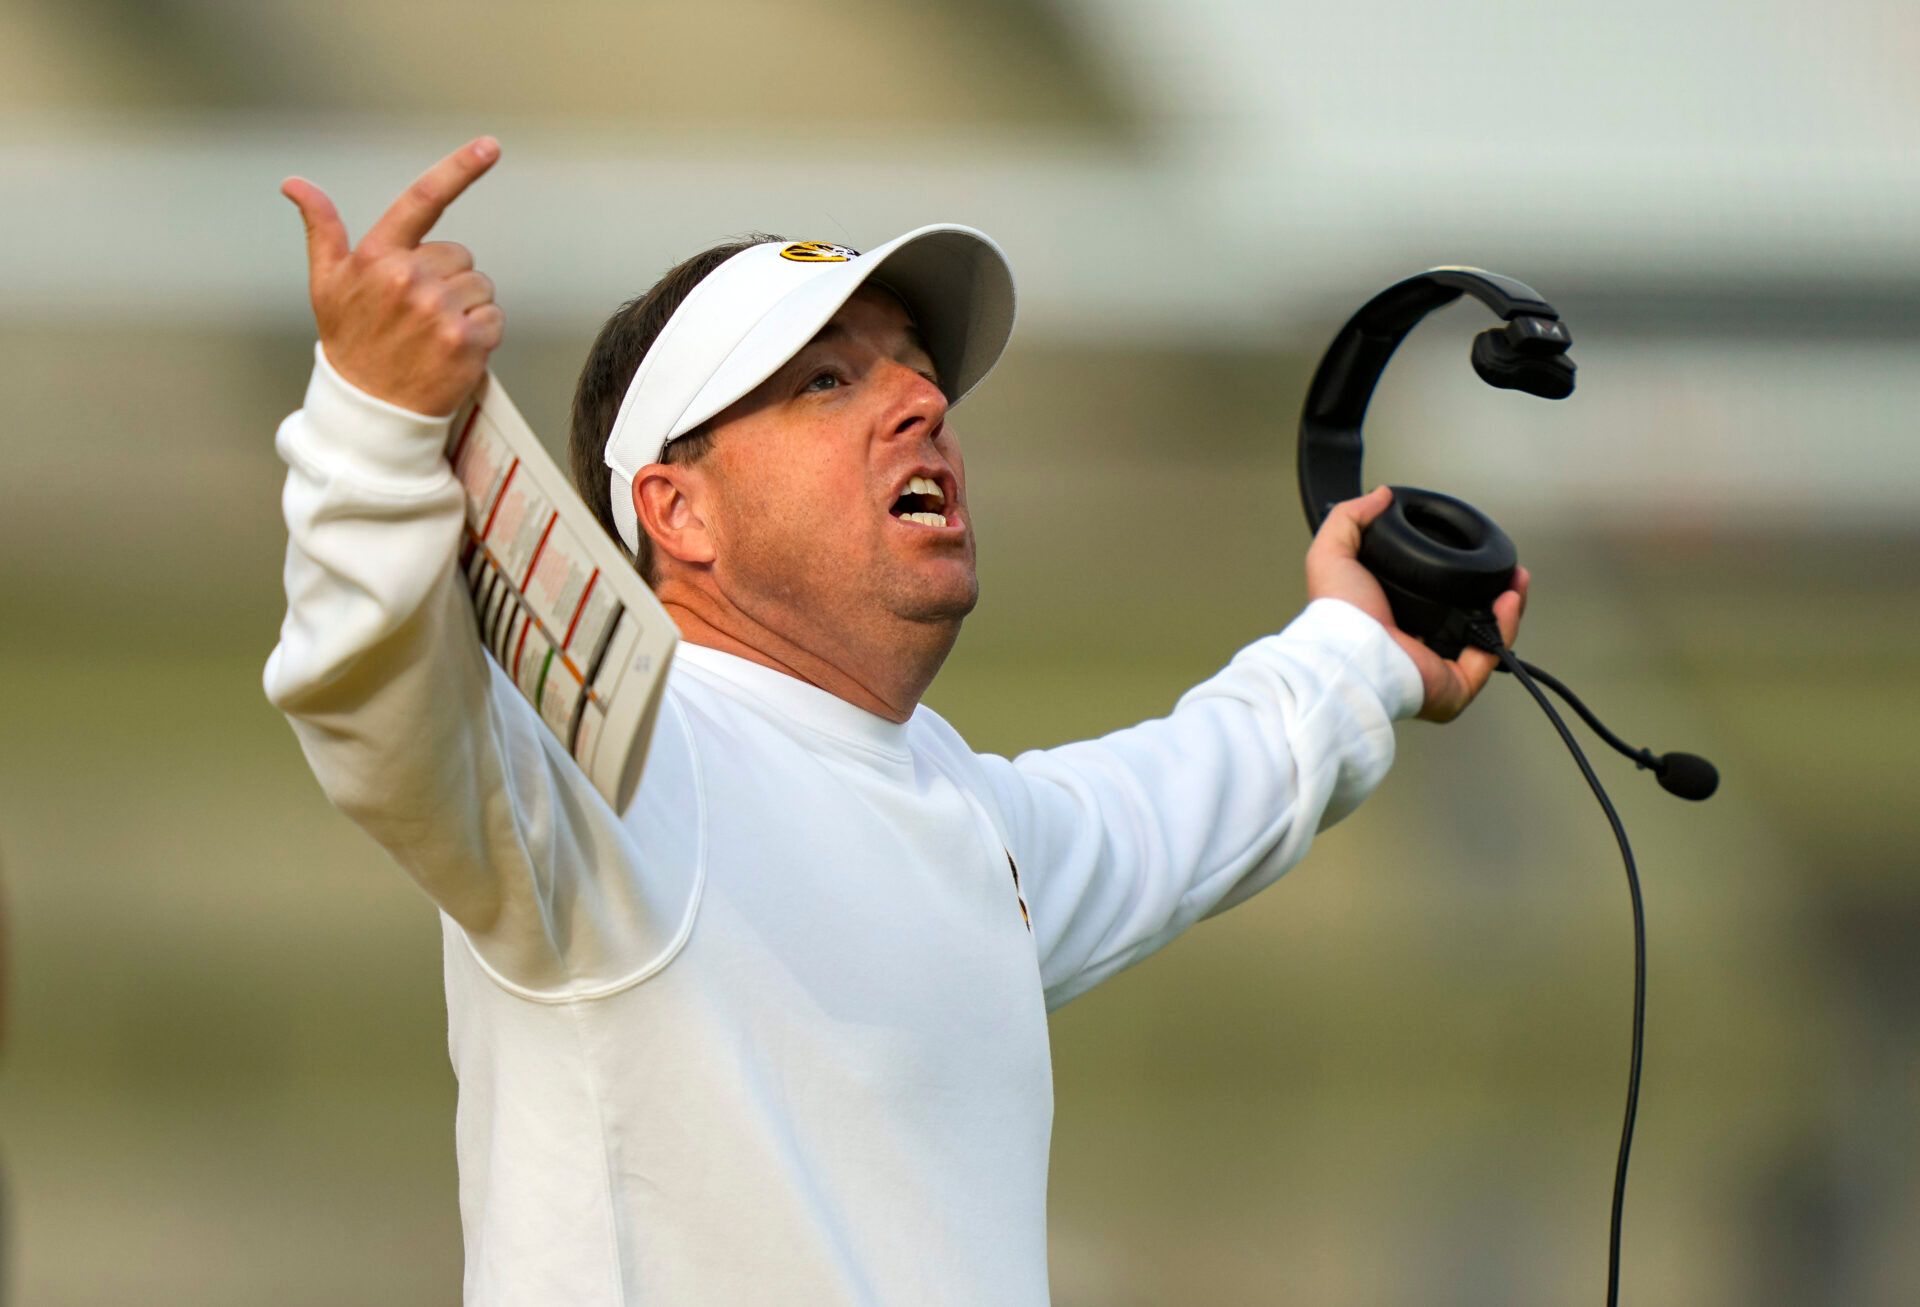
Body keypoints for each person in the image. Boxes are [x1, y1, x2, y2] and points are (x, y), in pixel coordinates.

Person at [267, 138, 1528, 1306]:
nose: (921, 404)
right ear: (676, 512)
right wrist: (372, 425)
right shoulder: (609, 766)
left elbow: (1177, 798)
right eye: (827, 380)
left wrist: (1363, 653)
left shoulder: (957, 807)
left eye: (920, 374)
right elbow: (374, 697)